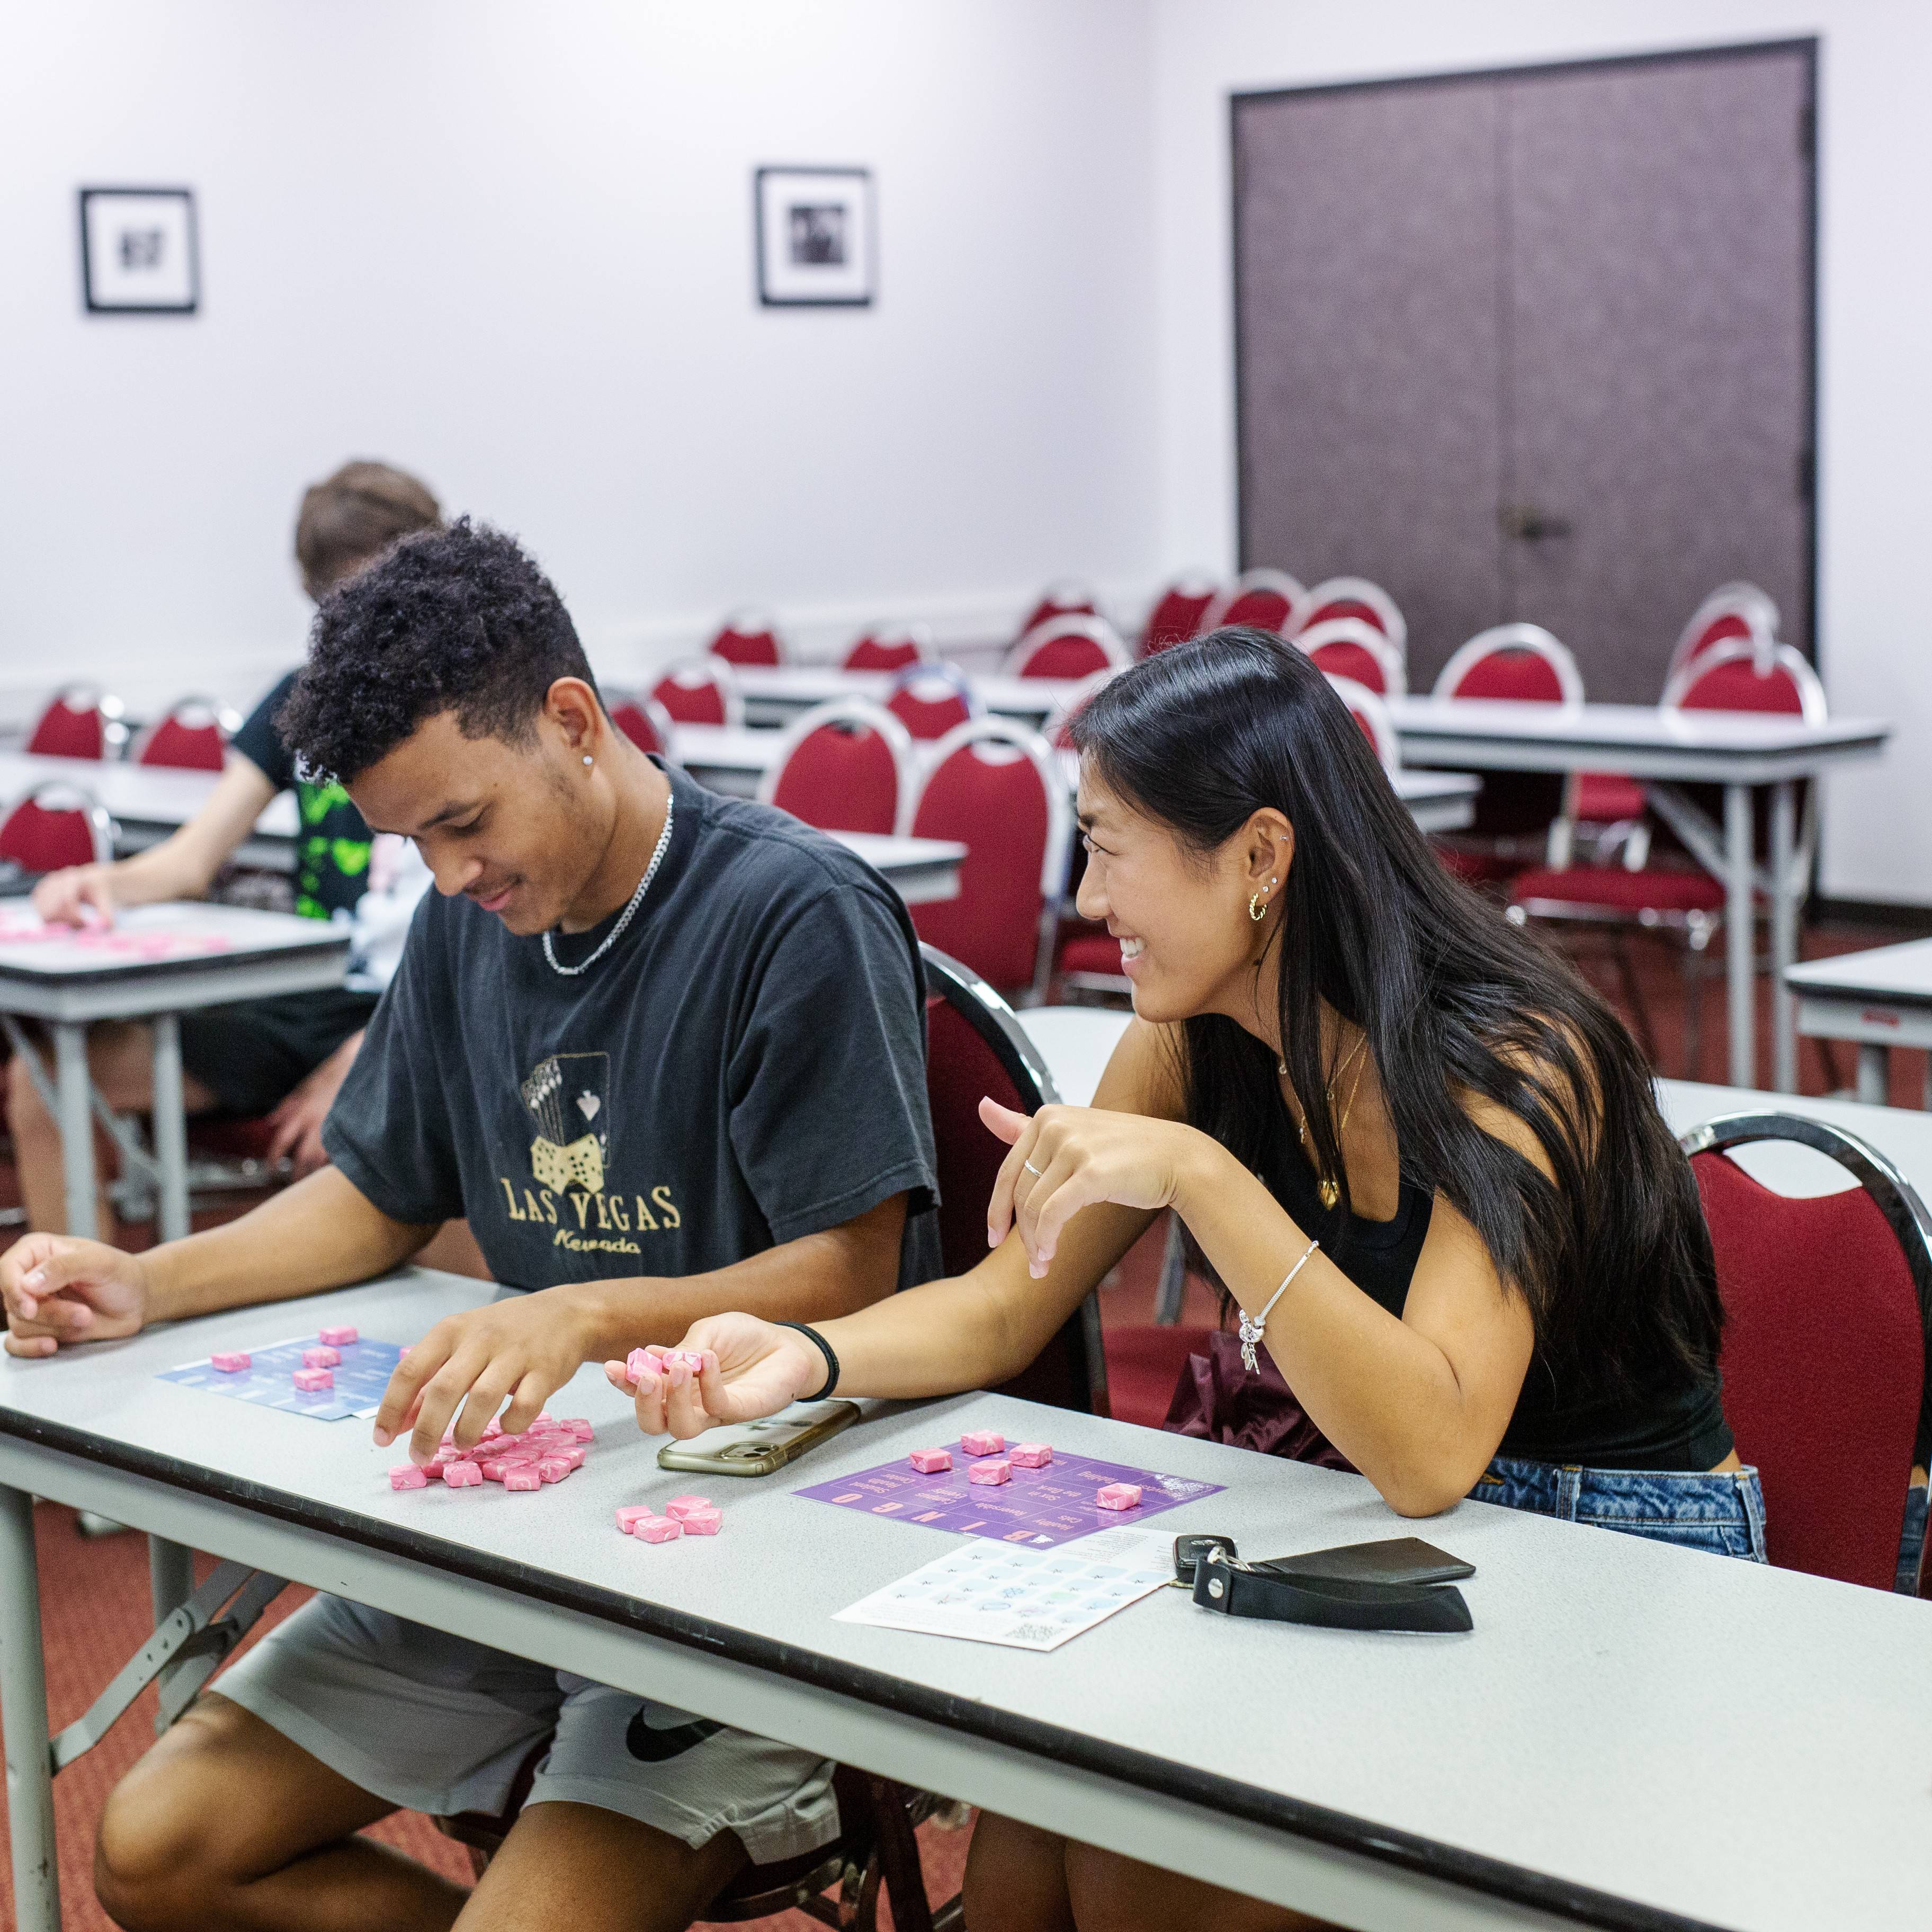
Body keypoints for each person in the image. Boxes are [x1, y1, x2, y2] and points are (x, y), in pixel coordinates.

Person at [611, 629, 1764, 1932]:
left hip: (1614, 1550)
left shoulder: (1519, 1057)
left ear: (1261, 858)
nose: (1089, 902)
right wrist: (805, 1358)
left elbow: (1434, 1446)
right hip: (1391, 1531)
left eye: (1106, 847)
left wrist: (1211, 1181)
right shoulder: (1188, 1042)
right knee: (1034, 1832)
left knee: (1136, 1867)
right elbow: (1004, 1307)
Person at [0, 520, 941, 1932]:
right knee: (158, 1849)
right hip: (529, 1548)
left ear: (572, 722)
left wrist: (583, 1310)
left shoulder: (791, 912)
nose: (446, 878)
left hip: (746, 1552)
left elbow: (851, 1272)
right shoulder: (472, 923)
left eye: (464, 823)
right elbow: (380, 1191)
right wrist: (149, 1279)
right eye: (411, 841)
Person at [6, 460, 443, 1239]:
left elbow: (475, 934)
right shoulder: (301, 700)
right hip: (302, 994)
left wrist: (369, 1055)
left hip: (411, 1005)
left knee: (383, 1143)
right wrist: (98, 881)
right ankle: (81, 1311)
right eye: (344, 596)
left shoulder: (461, 708)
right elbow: (189, 861)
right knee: (43, 1091)